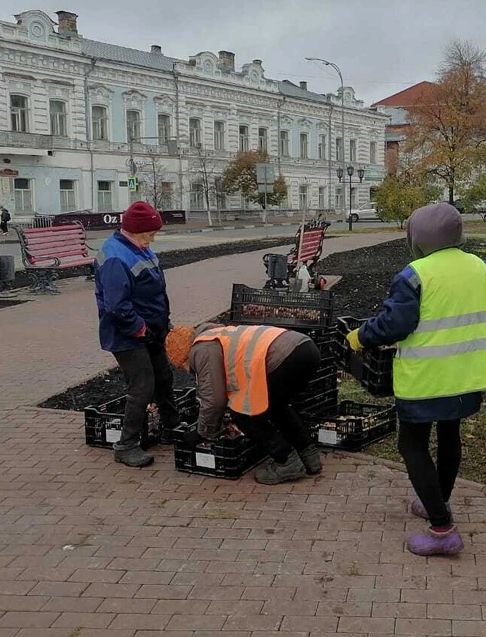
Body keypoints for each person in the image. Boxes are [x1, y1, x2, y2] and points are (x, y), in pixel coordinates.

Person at [346, 202, 486, 556]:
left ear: (416, 237)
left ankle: (441, 528)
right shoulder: (481, 268)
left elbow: (394, 325)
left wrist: (358, 337)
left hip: (426, 379)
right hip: (466, 375)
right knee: (450, 436)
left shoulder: (414, 275)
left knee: (411, 446)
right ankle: (439, 501)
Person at [164, 322, 322, 484]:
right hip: (304, 348)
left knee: (244, 414)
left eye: (183, 366)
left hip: (285, 358)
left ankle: (287, 461)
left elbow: (214, 400)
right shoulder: (216, 333)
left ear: (183, 356)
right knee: (275, 407)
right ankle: (309, 455)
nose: (188, 370)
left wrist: (202, 433)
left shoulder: (201, 350)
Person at [94, 201, 179, 468]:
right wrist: (141, 329)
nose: (153, 238)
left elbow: (152, 292)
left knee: (164, 378)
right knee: (142, 386)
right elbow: (116, 307)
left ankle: (171, 429)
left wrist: (161, 325)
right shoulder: (116, 257)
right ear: (136, 230)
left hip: (150, 332)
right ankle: (126, 445)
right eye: (150, 233)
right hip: (127, 336)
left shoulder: (138, 248)